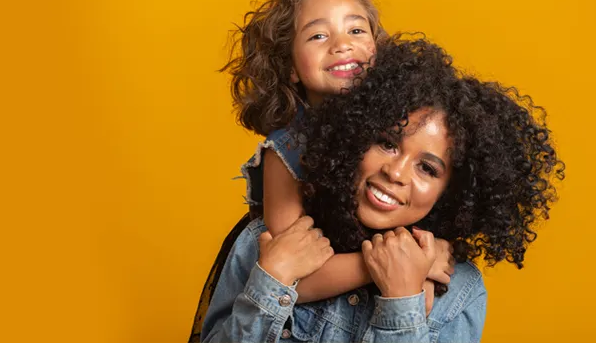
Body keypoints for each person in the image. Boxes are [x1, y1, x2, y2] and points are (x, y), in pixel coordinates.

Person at [202, 39, 565, 342]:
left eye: (427, 168)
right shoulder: (268, 242)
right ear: (355, 137)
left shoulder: (458, 291)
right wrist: (273, 280)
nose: (395, 172)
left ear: (452, 193)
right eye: (387, 143)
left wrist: (401, 301)